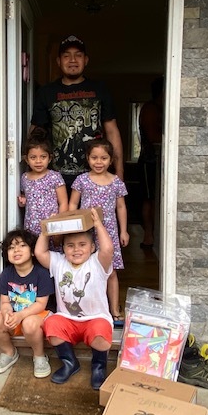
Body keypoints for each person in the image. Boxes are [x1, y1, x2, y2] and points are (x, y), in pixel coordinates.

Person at [30, 35, 124, 191]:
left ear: (86, 60)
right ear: (59, 61)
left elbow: (112, 131)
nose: (72, 60)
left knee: (94, 216)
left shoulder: (100, 89)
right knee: (57, 215)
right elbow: (35, 134)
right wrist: (32, 175)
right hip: (56, 178)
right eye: (66, 56)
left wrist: (119, 173)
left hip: (95, 176)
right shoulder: (46, 93)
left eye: (78, 55)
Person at [34, 208, 113, 390]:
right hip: (67, 319)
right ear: (63, 248)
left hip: (95, 319)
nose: (76, 249)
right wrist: (47, 228)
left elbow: (108, 248)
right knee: (51, 324)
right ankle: (70, 363)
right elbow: (39, 252)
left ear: (92, 247)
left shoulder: (97, 263)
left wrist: (98, 224)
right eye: (70, 245)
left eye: (82, 244)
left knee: (101, 332)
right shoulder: (59, 261)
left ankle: (99, 367)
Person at [68, 139, 129, 327]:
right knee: (84, 271)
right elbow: (72, 204)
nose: (99, 161)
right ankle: (86, 308)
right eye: (94, 157)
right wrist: (71, 228)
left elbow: (121, 207)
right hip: (86, 233)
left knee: (110, 272)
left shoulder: (116, 182)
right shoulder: (82, 180)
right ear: (88, 158)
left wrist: (124, 231)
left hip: (108, 233)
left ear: (111, 160)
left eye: (104, 158)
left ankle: (115, 310)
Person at [0, 228, 55, 378]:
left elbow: (41, 304)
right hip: (17, 315)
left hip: (38, 316)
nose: (16, 250)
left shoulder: (41, 273)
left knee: (29, 323)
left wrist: (20, 316)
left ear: (32, 251)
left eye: (22, 245)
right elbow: (5, 302)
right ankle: (9, 352)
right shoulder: (6, 274)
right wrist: (7, 313)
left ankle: (39, 356)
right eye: (11, 248)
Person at [18, 127, 69, 245]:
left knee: (51, 255)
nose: (38, 161)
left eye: (43, 157)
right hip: (32, 226)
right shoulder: (25, 177)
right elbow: (25, 197)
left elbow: (63, 202)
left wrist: (59, 224)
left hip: (51, 225)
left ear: (50, 158)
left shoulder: (55, 177)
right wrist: (22, 202)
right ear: (26, 159)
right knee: (34, 250)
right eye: (33, 157)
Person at [138, 76, 164, 249]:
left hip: (160, 162)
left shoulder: (162, 108)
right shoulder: (150, 108)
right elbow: (153, 137)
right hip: (150, 160)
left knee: (158, 198)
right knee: (149, 198)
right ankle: (148, 236)